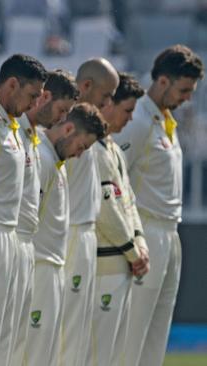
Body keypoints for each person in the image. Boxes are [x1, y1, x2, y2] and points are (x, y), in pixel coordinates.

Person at [113, 45, 204, 366]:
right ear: (163, 81)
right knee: (132, 333)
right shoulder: (136, 119)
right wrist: (130, 239)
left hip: (169, 232)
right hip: (145, 231)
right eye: (183, 90)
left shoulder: (164, 120)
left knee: (157, 331)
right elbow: (112, 179)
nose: (187, 98)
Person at [0, 53, 47, 366]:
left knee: (9, 337)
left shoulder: (16, 127)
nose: (34, 104)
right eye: (31, 95)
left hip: (17, 238)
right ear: (12, 84)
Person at [25, 103, 106, 366]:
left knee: (47, 352)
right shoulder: (42, 159)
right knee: (32, 352)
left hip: (53, 266)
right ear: (68, 128)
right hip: (39, 266)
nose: (79, 155)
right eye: (81, 146)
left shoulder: (55, 161)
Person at [11, 69, 78, 366]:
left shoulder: (37, 144)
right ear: (45, 96)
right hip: (31, 256)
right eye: (62, 110)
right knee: (25, 349)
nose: (63, 119)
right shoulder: (31, 143)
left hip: (41, 258)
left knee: (42, 350)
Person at [58, 58, 119, 366]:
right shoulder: (66, 126)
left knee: (78, 331)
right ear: (86, 87)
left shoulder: (91, 130)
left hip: (84, 234)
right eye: (106, 96)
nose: (110, 103)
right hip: (68, 232)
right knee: (64, 330)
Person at [88, 72, 150, 366]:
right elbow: (106, 210)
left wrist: (139, 244)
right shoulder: (92, 150)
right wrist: (132, 249)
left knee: (113, 354)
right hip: (104, 263)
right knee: (98, 353)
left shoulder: (113, 149)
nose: (129, 119)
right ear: (108, 104)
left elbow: (129, 203)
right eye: (127, 111)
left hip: (122, 262)